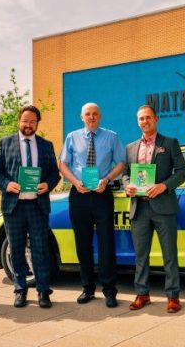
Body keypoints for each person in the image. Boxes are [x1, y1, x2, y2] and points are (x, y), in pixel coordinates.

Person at [0, 105, 61, 309]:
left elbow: (54, 174)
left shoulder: (46, 145)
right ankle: (20, 290)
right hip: (14, 206)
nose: (28, 125)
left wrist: (48, 184)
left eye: (32, 121)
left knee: (40, 250)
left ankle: (43, 291)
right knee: (16, 249)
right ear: (18, 121)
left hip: (38, 206)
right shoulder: (5, 143)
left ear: (37, 123)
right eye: (25, 121)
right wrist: (6, 185)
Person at [123, 104, 185, 313]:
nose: (145, 121)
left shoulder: (169, 143)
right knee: (140, 255)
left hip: (164, 207)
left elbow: (182, 172)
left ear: (156, 119)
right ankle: (142, 294)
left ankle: (173, 296)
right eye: (141, 118)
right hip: (139, 208)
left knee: (170, 254)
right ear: (137, 121)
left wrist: (163, 186)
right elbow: (125, 174)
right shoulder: (130, 147)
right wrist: (127, 186)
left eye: (148, 117)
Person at [58, 102, 125, 308]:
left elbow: (121, 163)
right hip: (79, 194)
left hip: (102, 193)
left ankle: (109, 291)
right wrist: (74, 182)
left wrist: (106, 179)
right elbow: (62, 163)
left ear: (100, 116)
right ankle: (87, 288)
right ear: (82, 117)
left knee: (106, 243)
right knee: (83, 243)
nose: (92, 117)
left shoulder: (111, 137)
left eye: (95, 114)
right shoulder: (72, 137)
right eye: (88, 114)